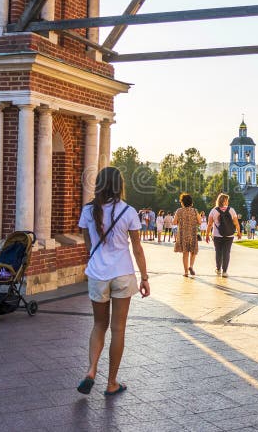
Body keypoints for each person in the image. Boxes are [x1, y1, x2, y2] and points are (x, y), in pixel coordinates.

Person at [77, 166, 150, 397]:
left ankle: (90, 370)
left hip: (98, 274)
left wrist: (96, 256)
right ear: (120, 185)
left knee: (99, 325)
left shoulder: (89, 210)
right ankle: (111, 383)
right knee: (118, 329)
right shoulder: (128, 211)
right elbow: (137, 248)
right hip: (122, 274)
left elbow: (87, 241)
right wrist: (145, 277)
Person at [205, 193, 241, 277]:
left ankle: (218, 269)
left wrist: (207, 235)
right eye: (227, 200)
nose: (228, 202)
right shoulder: (231, 210)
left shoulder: (214, 210)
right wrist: (239, 232)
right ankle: (224, 271)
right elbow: (236, 223)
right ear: (225, 201)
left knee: (218, 252)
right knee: (226, 252)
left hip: (217, 235)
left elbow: (209, 224)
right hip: (229, 235)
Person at [173, 193, 200, 277]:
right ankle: (191, 266)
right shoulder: (195, 211)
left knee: (185, 253)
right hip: (192, 233)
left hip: (183, 234)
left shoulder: (179, 211)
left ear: (182, 202)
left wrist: (180, 222)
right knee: (193, 252)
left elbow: (174, 222)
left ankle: (185, 272)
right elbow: (199, 222)